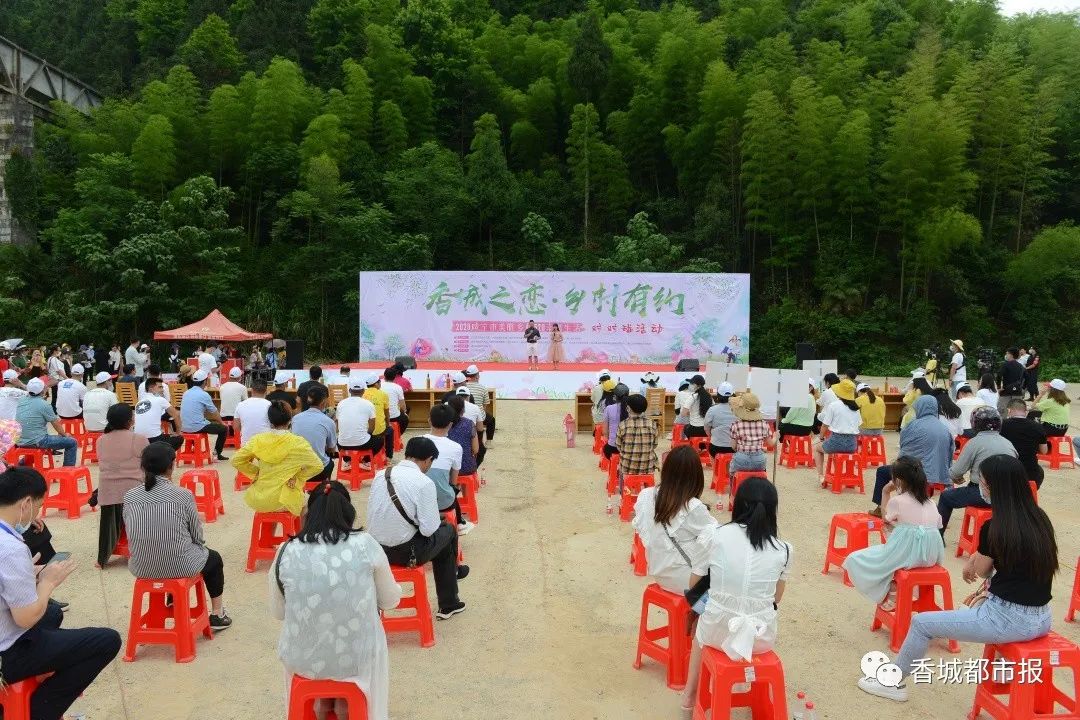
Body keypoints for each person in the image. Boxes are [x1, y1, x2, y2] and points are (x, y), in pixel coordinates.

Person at [857, 455, 1056, 703]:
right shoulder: (1040, 519)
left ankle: (893, 682)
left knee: (921, 624)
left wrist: (976, 559)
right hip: (1042, 618)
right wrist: (979, 557)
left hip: (1006, 619)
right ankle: (1005, 679)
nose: (981, 488)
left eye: (983, 482)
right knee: (972, 612)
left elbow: (982, 570)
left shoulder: (996, 526)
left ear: (994, 487)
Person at [269, 480, 401, 720]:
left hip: (303, 659)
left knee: (322, 646)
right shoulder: (365, 545)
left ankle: (323, 705)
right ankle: (343, 706)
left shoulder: (286, 551)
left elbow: (279, 612)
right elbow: (390, 600)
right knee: (352, 648)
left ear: (308, 515)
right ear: (348, 513)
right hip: (358, 657)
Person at [0, 465, 122, 720]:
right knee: (106, 640)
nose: (37, 513)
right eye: (38, 506)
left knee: (53, 613)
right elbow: (25, 618)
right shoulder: (10, 549)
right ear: (26, 504)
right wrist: (47, 582)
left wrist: (27, 575)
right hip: (6, 654)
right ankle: (38, 712)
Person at [680, 477, 792, 713]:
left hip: (716, 630)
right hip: (760, 637)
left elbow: (694, 584)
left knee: (703, 622)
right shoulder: (784, 550)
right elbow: (776, 598)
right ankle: (755, 699)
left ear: (737, 503)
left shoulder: (714, 534)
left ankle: (689, 695)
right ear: (772, 510)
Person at [125, 443, 232, 630]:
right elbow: (197, 536)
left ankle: (172, 601)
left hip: (141, 566)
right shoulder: (183, 495)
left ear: (143, 466)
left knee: (174, 549)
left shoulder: (130, 496)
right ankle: (217, 614)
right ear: (171, 466)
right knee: (213, 559)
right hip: (180, 565)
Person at [366, 437, 468, 620]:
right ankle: (449, 602)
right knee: (448, 532)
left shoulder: (381, 475)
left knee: (438, 528)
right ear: (428, 460)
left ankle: (454, 576)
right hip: (405, 553)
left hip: (376, 549)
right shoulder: (424, 483)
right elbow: (429, 530)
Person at [843, 456, 944, 608]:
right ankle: (900, 587)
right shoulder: (931, 503)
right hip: (930, 556)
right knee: (896, 536)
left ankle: (891, 589)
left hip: (908, 556)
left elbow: (885, 519)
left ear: (898, 481)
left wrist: (885, 492)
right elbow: (936, 525)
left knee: (857, 558)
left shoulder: (898, 501)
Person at [632, 446, 717, 593]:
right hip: (688, 580)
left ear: (666, 470)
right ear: (696, 476)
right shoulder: (692, 506)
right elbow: (716, 537)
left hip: (659, 573)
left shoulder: (646, 495)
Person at [232, 401, 324, 516]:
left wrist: (256, 472)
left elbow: (236, 460)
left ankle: (270, 528)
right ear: (290, 420)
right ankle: (301, 529)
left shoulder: (257, 440)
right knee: (306, 506)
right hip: (285, 499)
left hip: (260, 498)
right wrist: (297, 477)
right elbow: (318, 466)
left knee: (273, 506)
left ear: (269, 421)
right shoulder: (298, 442)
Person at [869, 396, 953, 518]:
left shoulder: (912, 426)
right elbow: (949, 454)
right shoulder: (944, 429)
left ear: (919, 408)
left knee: (882, 471)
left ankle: (880, 507)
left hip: (914, 473)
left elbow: (904, 450)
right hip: (938, 474)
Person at [938, 406, 1017, 533]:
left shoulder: (974, 443)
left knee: (946, 497)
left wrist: (957, 477)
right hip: (1008, 495)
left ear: (975, 423)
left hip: (982, 494)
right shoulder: (1008, 443)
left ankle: (937, 537)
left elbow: (955, 472)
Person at [96, 404, 149, 566]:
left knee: (107, 524)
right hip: (135, 492)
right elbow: (148, 464)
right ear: (130, 421)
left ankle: (102, 558)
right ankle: (145, 552)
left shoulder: (101, 440)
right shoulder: (139, 439)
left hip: (107, 492)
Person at [423, 404, 473, 534]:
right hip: (443, 502)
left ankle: (459, 522)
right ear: (450, 425)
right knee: (450, 488)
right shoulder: (455, 447)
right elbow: (453, 481)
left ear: (429, 421)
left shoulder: (416, 440)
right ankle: (459, 523)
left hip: (417, 500)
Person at [14, 379, 78, 466]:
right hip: (38, 441)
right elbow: (55, 423)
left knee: (34, 445)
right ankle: (68, 469)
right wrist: (64, 435)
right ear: (43, 390)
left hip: (19, 440)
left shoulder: (21, 401)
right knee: (72, 442)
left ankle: (21, 466)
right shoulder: (44, 404)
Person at [814, 380, 861, 484]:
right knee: (835, 450)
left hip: (836, 442)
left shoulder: (834, 405)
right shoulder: (855, 407)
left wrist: (821, 438)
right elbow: (858, 425)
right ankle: (845, 476)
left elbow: (824, 425)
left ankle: (821, 476)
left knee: (817, 448)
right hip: (852, 445)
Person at [179, 369, 229, 461]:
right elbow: (214, 412)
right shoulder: (204, 394)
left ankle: (195, 449)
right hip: (196, 427)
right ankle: (217, 454)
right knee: (223, 429)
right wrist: (221, 422)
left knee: (201, 422)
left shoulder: (186, 393)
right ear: (205, 381)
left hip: (184, 427)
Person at [292, 385, 338, 482]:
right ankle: (323, 488)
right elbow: (332, 449)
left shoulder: (295, 418)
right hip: (319, 471)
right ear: (323, 401)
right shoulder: (328, 421)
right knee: (330, 461)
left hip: (297, 469)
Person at [1000, 397, 1049, 487]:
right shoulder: (1038, 426)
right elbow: (1044, 451)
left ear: (1009, 410)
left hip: (1006, 472)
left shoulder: (1002, 425)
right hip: (1030, 473)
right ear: (1025, 412)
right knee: (1040, 470)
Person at [728, 392, 774, 481]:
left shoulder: (736, 425)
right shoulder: (764, 424)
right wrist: (776, 436)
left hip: (741, 459)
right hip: (759, 460)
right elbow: (770, 444)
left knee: (732, 473)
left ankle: (734, 487)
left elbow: (733, 446)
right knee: (761, 473)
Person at [616, 393, 658, 486]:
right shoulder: (652, 424)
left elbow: (619, 446)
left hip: (627, 467)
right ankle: (648, 490)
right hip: (648, 467)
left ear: (628, 408)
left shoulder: (623, 425)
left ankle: (624, 492)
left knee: (621, 474)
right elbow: (655, 445)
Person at [133, 378, 183, 450]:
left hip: (137, 440)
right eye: (160, 387)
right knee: (179, 438)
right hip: (154, 439)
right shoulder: (160, 400)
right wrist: (178, 432)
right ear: (151, 388)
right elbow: (176, 415)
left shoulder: (138, 403)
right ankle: (162, 455)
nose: (162, 390)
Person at [336, 378, 383, 456]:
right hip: (362, 444)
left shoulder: (341, 403)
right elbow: (372, 427)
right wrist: (367, 435)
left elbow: (338, 426)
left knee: (339, 439)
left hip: (342, 444)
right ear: (363, 391)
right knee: (380, 440)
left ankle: (347, 460)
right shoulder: (368, 404)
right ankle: (366, 460)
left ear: (350, 390)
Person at [445, 395, 479, 480]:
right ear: (463, 409)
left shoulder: (444, 423)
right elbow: (475, 449)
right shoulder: (469, 424)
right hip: (467, 468)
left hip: (447, 467)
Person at [233, 380, 273, 448]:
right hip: (265, 446)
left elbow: (236, 427)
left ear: (252, 390)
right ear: (266, 392)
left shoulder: (240, 405)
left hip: (246, 446)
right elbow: (274, 426)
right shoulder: (270, 405)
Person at [363, 373, 391, 458]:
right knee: (390, 431)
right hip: (379, 430)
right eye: (379, 382)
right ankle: (389, 456)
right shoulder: (383, 394)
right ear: (376, 384)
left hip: (363, 430)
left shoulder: (362, 394)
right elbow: (386, 413)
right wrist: (388, 424)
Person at [704, 382, 737, 456]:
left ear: (718, 395)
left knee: (712, 451)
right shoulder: (739, 410)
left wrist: (712, 436)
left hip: (716, 446)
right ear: (733, 395)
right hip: (735, 447)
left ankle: (715, 464)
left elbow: (706, 428)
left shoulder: (712, 410)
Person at [463, 365, 494, 443]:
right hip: (479, 416)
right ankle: (489, 441)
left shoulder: (464, 387)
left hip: (464, 414)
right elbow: (484, 406)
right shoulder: (483, 388)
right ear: (477, 376)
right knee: (491, 420)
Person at [600, 383, 631, 459]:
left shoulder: (609, 408)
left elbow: (605, 432)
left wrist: (610, 440)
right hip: (630, 448)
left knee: (605, 449)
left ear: (615, 396)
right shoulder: (633, 410)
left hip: (613, 447)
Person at [679, 375, 712, 439]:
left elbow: (683, 414)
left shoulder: (693, 397)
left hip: (694, 430)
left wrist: (691, 413)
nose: (690, 385)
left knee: (685, 428)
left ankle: (693, 443)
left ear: (698, 385)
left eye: (692, 383)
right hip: (706, 430)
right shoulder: (709, 397)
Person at [996, 348, 1026, 413]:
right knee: (1017, 411)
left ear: (1011, 355)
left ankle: (1004, 420)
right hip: (1017, 391)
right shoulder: (1020, 366)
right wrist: (1022, 387)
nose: (1006, 355)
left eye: (1007, 353)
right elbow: (1026, 377)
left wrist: (998, 387)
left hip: (1006, 391)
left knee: (1002, 411)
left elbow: (999, 375)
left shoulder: (1005, 364)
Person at [383, 366, 409, 442]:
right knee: (405, 419)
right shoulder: (398, 387)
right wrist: (404, 412)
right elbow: (402, 406)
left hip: (382, 416)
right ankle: (396, 436)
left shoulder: (379, 386)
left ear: (384, 376)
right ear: (394, 377)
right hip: (394, 416)